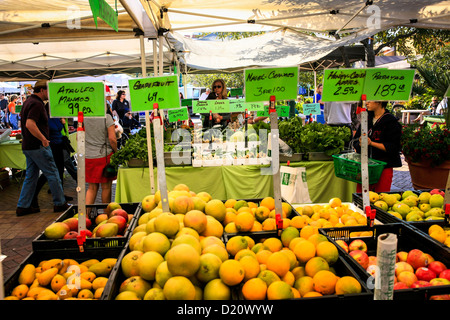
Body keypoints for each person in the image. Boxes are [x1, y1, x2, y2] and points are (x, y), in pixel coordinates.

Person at [16, 80, 70, 216]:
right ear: (42, 90)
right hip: (38, 146)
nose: (50, 94)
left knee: (31, 176)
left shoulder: (28, 102)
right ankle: (60, 203)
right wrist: (43, 139)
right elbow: (29, 124)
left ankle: (23, 206)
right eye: (48, 91)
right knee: (53, 174)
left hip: (29, 146)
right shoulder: (37, 104)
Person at [353, 100, 402, 193]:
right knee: (361, 197)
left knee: (381, 198)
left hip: (383, 167)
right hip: (365, 166)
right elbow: (355, 141)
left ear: (379, 102)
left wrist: (371, 143)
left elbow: (393, 147)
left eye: (369, 100)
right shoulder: (366, 118)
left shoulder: (391, 121)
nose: (366, 103)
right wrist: (360, 143)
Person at [32, 115, 71, 206]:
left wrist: (63, 121)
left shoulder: (57, 117)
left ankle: (61, 195)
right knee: (49, 172)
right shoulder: (47, 119)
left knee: (60, 170)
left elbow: (59, 128)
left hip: (59, 145)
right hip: (51, 146)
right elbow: (53, 128)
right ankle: (34, 194)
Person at [84, 109, 117, 206]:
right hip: (104, 156)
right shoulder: (107, 117)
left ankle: (86, 217)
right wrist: (116, 151)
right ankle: (107, 216)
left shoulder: (84, 118)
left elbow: (79, 137)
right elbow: (112, 139)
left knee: (91, 188)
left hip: (89, 156)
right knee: (106, 187)